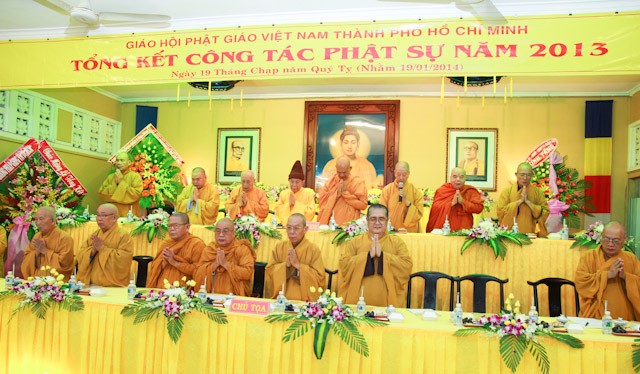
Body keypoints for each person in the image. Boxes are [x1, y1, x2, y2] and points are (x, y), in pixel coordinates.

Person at [338, 204, 413, 307]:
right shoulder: (355, 242)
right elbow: (344, 265)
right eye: (373, 219)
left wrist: (383, 256)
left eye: (381, 219)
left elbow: (407, 266)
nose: (377, 223)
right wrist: (368, 256)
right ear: (367, 220)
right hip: (358, 302)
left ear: (387, 221)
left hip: (388, 303)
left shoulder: (397, 242)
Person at [575, 221, 640, 320]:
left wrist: (625, 277)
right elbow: (581, 283)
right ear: (601, 236)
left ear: (624, 240)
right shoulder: (589, 257)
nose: (610, 244)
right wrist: (607, 275)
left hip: (624, 317)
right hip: (594, 315)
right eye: (606, 239)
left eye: (616, 240)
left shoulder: (631, 259)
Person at [265, 213, 326, 300]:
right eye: (289, 227)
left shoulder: (313, 250)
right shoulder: (279, 247)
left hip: (305, 300)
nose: (292, 231)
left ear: (305, 229)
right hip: (281, 298)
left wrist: (298, 266)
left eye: (296, 228)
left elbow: (320, 278)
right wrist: (286, 266)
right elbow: (269, 271)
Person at [194, 218, 256, 296]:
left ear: (233, 233)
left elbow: (247, 273)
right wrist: (215, 264)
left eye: (225, 231)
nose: (221, 234)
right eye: (218, 231)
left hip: (234, 298)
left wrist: (225, 264)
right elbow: (198, 274)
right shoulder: (210, 249)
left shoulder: (242, 249)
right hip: (211, 296)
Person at [76, 203, 133, 287]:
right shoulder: (95, 234)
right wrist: (92, 251)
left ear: (114, 218)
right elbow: (80, 254)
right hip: (90, 284)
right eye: (98, 215)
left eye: (103, 215)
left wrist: (102, 249)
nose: (99, 219)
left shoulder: (123, 236)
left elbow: (123, 260)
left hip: (112, 285)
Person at [146, 212, 206, 288]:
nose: (172, 229)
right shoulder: (166, 244)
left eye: (176, 226)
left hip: (184, 292)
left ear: (187, 227)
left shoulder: (196, 244)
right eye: (169, 226)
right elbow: (155, 268)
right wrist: (165, 261)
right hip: (161, 290)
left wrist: (174, 262)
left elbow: (199, 271)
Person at [497, 162, 549, 237]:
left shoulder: (538, 192)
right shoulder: (507, 191)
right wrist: (518, 202)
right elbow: (500, 211)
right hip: (510, 235)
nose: (525, 178)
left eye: (528, 175)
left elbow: (545, 212)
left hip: (532, 234)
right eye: (522, 174)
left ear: (532, 175)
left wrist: (528, 203)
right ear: (516, 174)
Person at [21, 206, 74, 280]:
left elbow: (65, 265)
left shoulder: (64, 238)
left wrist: (45, 251)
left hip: (56, 283)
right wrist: (36, 253)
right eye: (36, 219)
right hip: (36, 281)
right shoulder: (37, 236)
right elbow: (26, 260)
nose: (37, 223)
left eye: (41, 219)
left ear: (52, 221)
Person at [426, 167, 485, 232]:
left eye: (461, 177)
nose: (458, 179)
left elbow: (479, 208)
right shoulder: (442, 190)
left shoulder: (470, 191)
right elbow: (435, 209)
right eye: (455, 176)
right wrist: (451, 203)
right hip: (444, 229)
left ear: (465, 179)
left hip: (464, 229)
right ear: (450, 178)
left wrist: (462, 201)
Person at [318, 156, 368, 226]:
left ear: (350, 168)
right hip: (331, 224)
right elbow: (321, 202)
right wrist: (336, 194)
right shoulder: (330, 183)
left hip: (350, 226)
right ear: (336, 168)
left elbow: (363, 205)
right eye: (339, 172)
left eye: (344, 172)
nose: (341, 175)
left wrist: (346, 195)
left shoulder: (357, 182)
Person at [380, 162, 424, 232]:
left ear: (409, 174)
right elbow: (381, 211)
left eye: (404, 174)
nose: (401, 177)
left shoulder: (416, 192)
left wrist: (406, 200)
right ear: (394, 173)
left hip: (408, 231)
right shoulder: (387, 190)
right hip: (391, 230)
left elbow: (418, 214)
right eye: (398, 174)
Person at [98, 152, 144, 217]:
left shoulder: (135, 176)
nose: (119, 163)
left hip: (128, 213)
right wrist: (115, 184)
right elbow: (102, 193)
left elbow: (136, 194)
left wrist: (121, 182)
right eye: (117, 160)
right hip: (111, 213)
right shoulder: (111, 176)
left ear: (129, 162)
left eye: (122, 160)